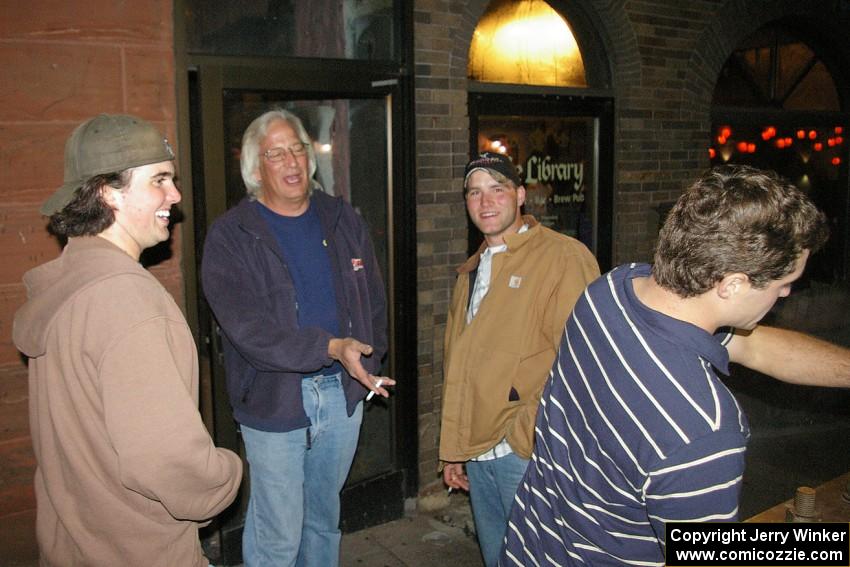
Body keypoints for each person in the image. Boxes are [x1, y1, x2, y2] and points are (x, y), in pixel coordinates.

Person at [500, 165, 850, 566]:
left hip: (530, 548)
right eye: (783, 283)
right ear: (732, 284)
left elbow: (757, 349)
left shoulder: (611, 292)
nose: (786, 292)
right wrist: (827, 544)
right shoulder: (702, 430)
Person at [12, 114, 243, 566]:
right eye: (159, 180)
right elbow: (166, 460)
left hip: (75, 545)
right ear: (106, 191)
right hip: (142, 551)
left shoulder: (67, 285)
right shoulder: (126, 301)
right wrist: (227, 473)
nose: (175, 196)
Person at [201, 108, 391, 567]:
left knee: (323, 521)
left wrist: (369, 361)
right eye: (276, 153)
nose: (291, 162)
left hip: (341, 394)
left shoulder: (342, 218)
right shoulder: (231, 236)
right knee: (278, 533)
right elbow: (248, 331)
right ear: (254, 168)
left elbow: (374, 302)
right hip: (275, 400)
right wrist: (328, 347)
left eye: (297, 149)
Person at [440, 152, 600, 566]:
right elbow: (459, 367)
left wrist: (525, 432)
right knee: (498, 558)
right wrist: (455, 447)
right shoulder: (471, 270)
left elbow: (583, 360)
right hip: (479, 454)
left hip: (527, 451)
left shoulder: (563, 257)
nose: (485, 201)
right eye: (474, 193)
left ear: (520, 195)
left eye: (497, 189)